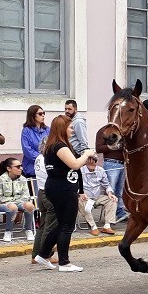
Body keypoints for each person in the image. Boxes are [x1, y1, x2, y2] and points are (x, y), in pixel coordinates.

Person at [33, 115, 95, 272]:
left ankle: (43, 254)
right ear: (62, 128)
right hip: (63, 189)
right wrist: (86, 154)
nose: (72, 130)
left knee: (62, 224)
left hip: (59, 188)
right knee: (67, 226)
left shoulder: (54, 145)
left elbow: (72, 166)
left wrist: (80, 189)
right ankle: (64, 262)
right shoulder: (59, 146)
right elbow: (74, 164)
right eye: (70, 127)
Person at [0, 157, 36, 242]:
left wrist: (15, 201)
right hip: (3, 204)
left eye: (21, 166)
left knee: (29, 205)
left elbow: (26, 195)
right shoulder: (1, 179)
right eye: (18, 167)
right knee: (12, 207)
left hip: (18, 202)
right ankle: (8, 231)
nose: (21, 168)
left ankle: (28, 230)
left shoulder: (23, 179)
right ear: (9, 168)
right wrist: (11, 201)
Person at [30, 138, 58, 265]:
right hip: (49, 193)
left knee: (42, 226)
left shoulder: (39, 158)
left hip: (41, 192)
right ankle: (45, 255)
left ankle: (35, 254)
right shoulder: (47, 159)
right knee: (50, 227)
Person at [95, 123, 129, 224]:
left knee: (119, 191)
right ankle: (109, 216)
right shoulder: (103, 130)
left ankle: (119, 212)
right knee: (111, 190)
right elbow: (98, 148)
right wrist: (112, 147)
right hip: (111, 163)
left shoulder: (121, 130)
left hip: (121, 164)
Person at [79, 155, 118, 235]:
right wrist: (80, 193)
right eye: (89, 162)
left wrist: (110, 193)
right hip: (85, 197)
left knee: (112, 200)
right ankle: (93, 226)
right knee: (81, 202)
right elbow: (75, 185)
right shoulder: (80, 171)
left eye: (94, 162)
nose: (92, 164)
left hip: (97, 197)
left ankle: (107, 226)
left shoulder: (100, 170)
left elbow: (107, 185)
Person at [21, 105, 49, 179]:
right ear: (33, 115)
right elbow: (27, 150)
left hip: (46, 168)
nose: (43, 115)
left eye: (43, 113)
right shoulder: (26, 131)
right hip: (32, 168)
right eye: (40, 114)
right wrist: (41, 159)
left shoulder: (47, 130)